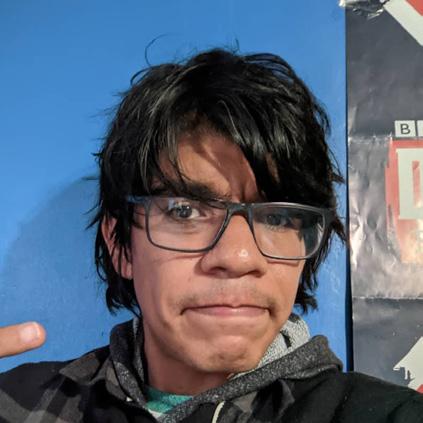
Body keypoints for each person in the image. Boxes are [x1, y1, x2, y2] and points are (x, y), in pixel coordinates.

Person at [0, 48, 422, 423]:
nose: (238, 257)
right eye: (184, 211)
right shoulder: (18, 405)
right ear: (120, 246)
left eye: (277, 218)